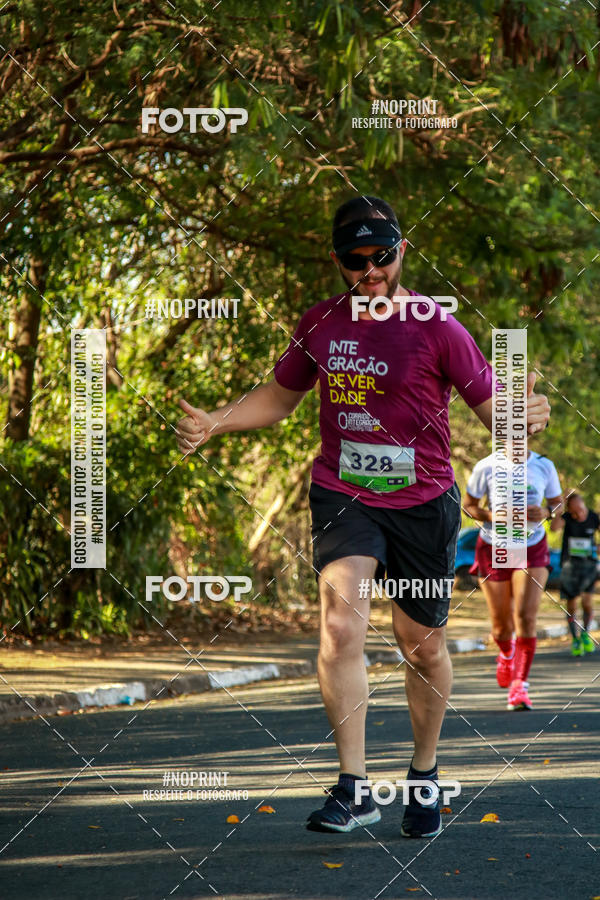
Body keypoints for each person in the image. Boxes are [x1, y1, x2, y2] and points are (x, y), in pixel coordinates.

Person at [175, 194, 550, 839]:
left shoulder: (438, 326)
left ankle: (424, 774)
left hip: (424, 503)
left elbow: (496, 413)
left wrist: (525, 420)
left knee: (421, 645)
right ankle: (354, 789)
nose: (371, 271)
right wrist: (218, 421)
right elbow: (280, 396)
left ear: (402, 252)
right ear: (339, 261)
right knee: (341, 625)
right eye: (357, 260)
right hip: (344, 494)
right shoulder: (320, 324)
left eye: (382, 258)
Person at [464, 450, 562, 710]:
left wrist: (546, 512)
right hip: (493, 547)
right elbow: (468, 506)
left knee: (526, 617)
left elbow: (557, 504)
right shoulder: (485, 465)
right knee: (501, 627)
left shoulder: (544, 465)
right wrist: (494, 516)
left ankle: (520, 686)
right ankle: (506, 653)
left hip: (531, 547)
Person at [555, 492, 599, 656]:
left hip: (589, 565)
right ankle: (575, 639)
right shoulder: (567, 517)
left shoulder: (594, 517)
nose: (579, 513)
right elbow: (554, 528)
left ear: (583, 504)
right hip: (569, 566)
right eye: (575, 510)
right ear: (570, 508)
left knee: (587, 602)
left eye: (581, 508)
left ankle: (585, 634)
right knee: (571, 605)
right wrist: (560, 508)